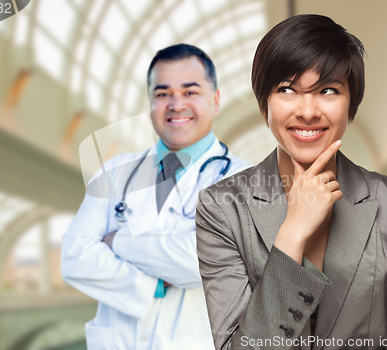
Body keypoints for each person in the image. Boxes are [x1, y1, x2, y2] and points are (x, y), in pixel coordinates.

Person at [195, 14, 387, 350]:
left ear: (351, 102)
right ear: (263, 102)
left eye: (328, 90)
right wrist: (292, 233)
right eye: (287, 89)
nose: (308, 111)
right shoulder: (221, 208)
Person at [61, 44, 251, 349]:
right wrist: (155, 285)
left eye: (191, 92)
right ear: (150, 103)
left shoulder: (245, 181)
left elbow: (201, 261)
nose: (176, 105)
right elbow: (74, 256)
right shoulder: (114, 173)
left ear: (215, 100)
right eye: (163, 94)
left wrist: (114, 243)